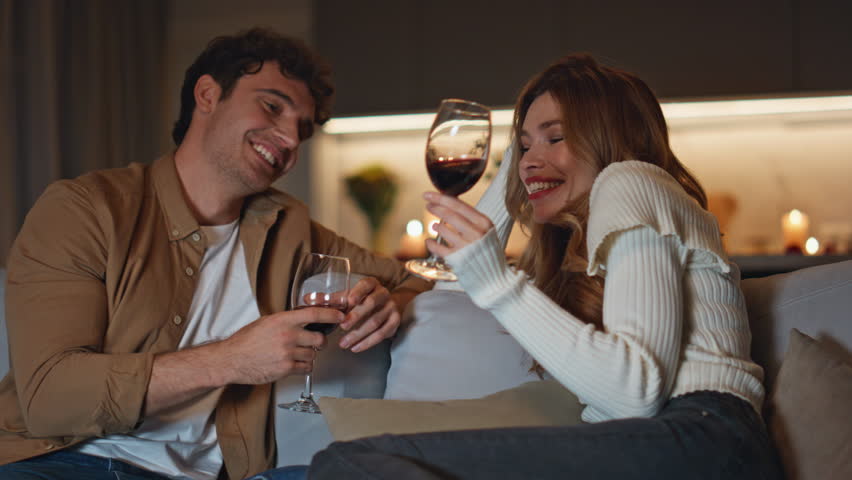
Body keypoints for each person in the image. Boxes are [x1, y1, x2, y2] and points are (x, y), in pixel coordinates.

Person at [305, 54, 784, 479]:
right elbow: (452, 288)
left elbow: (634, 394)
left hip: (704, 443)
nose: (532, 160)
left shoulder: (631, 180)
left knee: (349, 466)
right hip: (667, 446)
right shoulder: (586, 242)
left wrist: (496, 278)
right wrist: (520, 168)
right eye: (525, 146)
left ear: (610, 138)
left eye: (556, 137)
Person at [0, 28, 431, 480]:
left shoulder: (291, 228)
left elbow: (414, 279)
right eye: (272, 106)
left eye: (302, 129)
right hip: (64, 462)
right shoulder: (87, 208)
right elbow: (51, 397)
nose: (289, 137)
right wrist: (232, 359)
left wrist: (387, 302)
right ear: (207, 94)